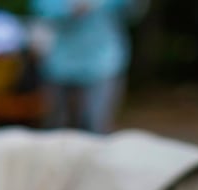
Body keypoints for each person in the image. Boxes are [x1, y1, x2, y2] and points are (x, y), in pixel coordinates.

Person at [30, 0, 147, 134]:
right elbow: (42, 9)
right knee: (56, 125)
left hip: (103, 65)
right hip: (59, 66)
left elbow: (132, 10)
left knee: (95, 125)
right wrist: (70, 8)